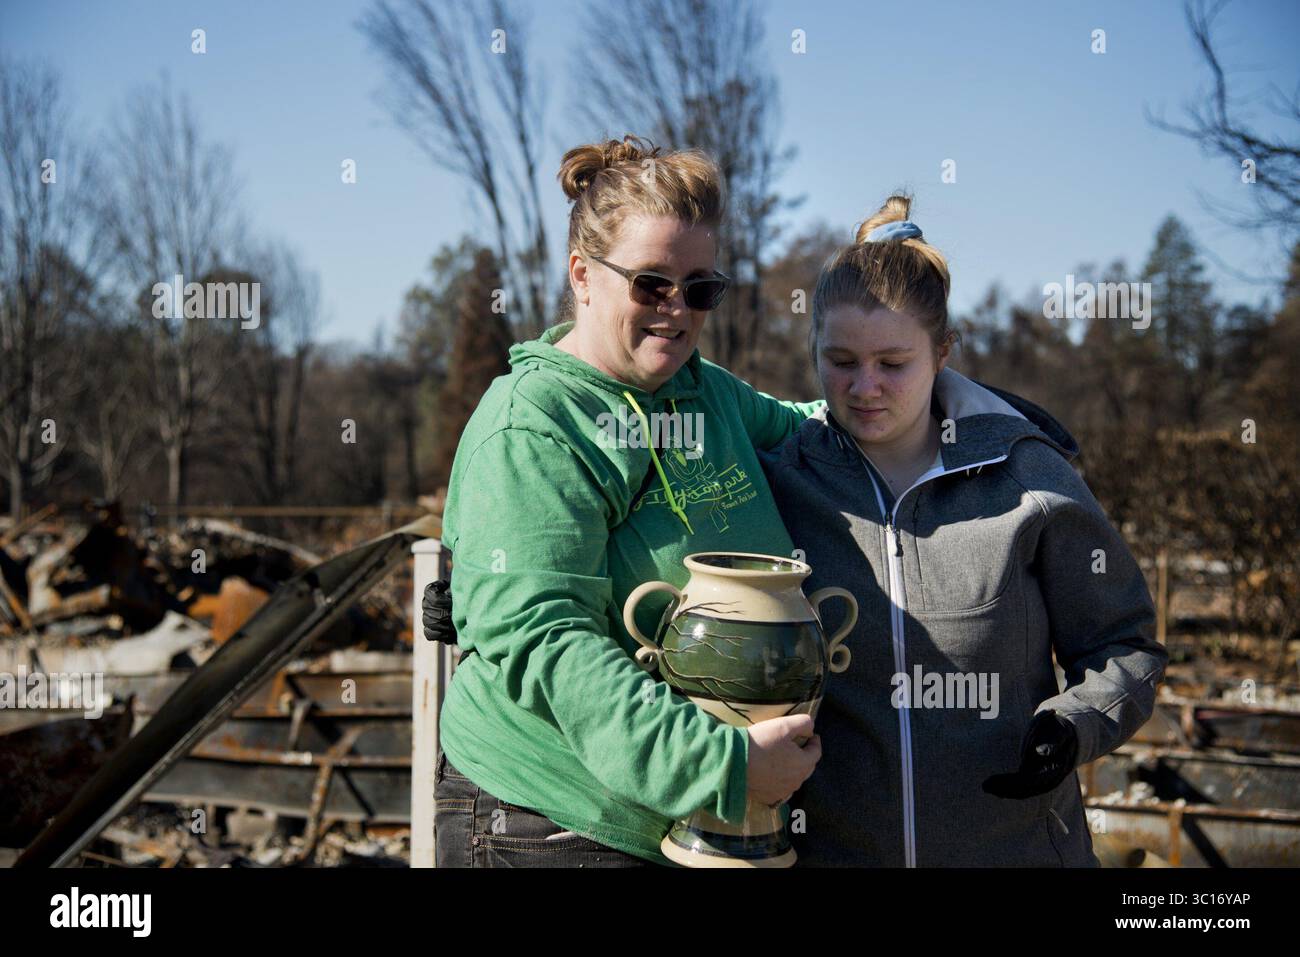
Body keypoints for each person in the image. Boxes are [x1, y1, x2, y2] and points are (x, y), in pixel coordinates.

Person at [433, 135, 825, 867]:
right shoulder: (534, 426)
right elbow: (549, 644)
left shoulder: (703, 392)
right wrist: (724, 765)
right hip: (550, 820)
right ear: (582, 275)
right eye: (652, 284)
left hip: (690, 818)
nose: (678, 311)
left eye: (701, 288)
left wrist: (935, 393)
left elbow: (812, 429)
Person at [758, 195, 1168, 866]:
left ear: (943, 351)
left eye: (893, 363)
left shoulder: (1029, 477)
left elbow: (1124, 644)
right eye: (841, 360)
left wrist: (1074, 725)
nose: (865, 387)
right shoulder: (781, 480)